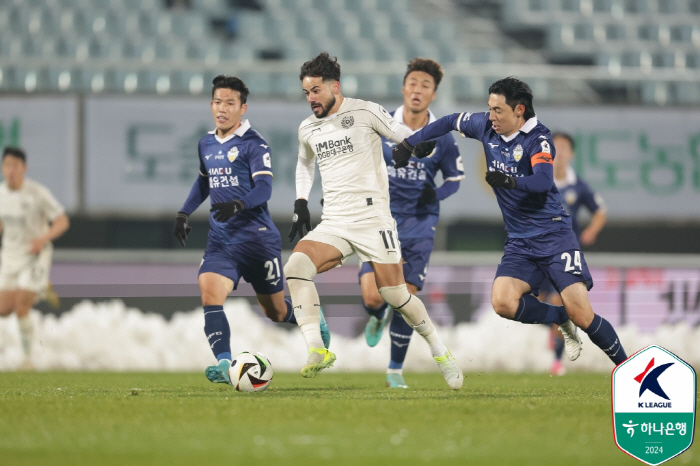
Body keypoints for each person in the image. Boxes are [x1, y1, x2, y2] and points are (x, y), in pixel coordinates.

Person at [393, 77, 627, 367]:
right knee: (503, 302)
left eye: (497, 110)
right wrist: (410, 142)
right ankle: (560, 318)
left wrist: (511, 181)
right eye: (489, 109)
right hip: (519, 239)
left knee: (583, 314)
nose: (490, 117)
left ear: (518, 110)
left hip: (553, 234)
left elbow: (543, 181)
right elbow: (451, 121)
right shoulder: (486, 126)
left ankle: (629, 369)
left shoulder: (538, 138)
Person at [283, 52, 463, 389]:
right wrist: (301, 201)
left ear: (335, 86)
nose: (311, 99)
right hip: (335, 219)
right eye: (307, 92)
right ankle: (317, 350)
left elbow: (400, 133)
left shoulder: (365, 111)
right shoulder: (307, 128)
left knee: (395, 296)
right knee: (295, 268)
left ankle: (440, 351)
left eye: (317, 91)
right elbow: (304, 163)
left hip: (373, 219)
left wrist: (416, 147)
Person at [173, 75, 329, 385]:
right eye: (218, 102)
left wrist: (239, 205)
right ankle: (223, 363)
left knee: (274, 311)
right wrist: (184, 212)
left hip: (257, 240)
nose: (222, 108)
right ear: (211, 104)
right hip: (221, 241)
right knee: (209, 293)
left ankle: (312, 318)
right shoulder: (206, 142)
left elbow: (265, 187)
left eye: (230, 103)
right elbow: (204, 181)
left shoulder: (254, 144)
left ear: (242, 108)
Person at [357, 58, 463, 389]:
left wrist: (433, 197)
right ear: (404, 88)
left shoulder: (442, 136)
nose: (418, 90)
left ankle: (394, 371)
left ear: (433, 95)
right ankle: (376, 316)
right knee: (375, 298)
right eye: (413, 83)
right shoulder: (379, 123)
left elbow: (455, 179)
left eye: (426, 86)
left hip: (419, 223)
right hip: (380, 218)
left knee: (407, 297)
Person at [541, 132, 607, 375]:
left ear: (571, 154)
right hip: (536, 252)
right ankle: (553, 329)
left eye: (564, 148)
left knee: (559, 302)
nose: (559, 152)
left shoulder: (578, 186)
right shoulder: (538, 180)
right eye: (554, 147)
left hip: (565, 254)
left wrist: (591, 230)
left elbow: (600, 211)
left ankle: (557, 360)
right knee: (534, 303)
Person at [0, 147, 70, 369]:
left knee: (22, 306)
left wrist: (43, 239)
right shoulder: (0, 194)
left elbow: (62, 220)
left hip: (35, 255)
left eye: (15, 166)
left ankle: (27, 360)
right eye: (7, 165)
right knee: (4, 309)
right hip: (10, 256)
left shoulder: (38, 193)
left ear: (24, 168)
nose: (10, 171)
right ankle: (42, 287)